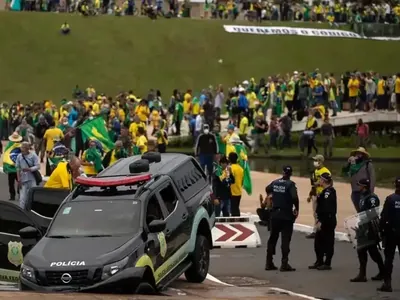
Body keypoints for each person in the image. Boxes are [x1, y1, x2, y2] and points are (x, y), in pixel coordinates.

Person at [350, 178, 385, 283]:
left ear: (364, 186)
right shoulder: (362, 196)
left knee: (373, 251)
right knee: (361, 250)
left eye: (360, 185)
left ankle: (382, 270)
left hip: (370, 227)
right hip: (362, 226)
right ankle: (362, 274)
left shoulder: (372, 198)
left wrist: (368, 228)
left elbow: (372, 214)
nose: (359, 187)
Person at [265, 166, 299, 272]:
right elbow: (294, 197)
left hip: (275, 214)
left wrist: (271, 196)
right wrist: (296, 208)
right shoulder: (290, 184)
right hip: (286, 215)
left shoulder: (275, 182)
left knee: (272, 239)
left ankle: (269, 262)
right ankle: (284, 264)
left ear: (282, 172)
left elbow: (267, 188)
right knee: (285, 240)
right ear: (290, 174)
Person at [309, 172, 337, 271]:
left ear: (324, 181)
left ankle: (327, 263)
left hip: (327, 221)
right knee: (318, 242)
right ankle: (319, 261)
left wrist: (321, 221)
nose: (319, 181)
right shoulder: (324, 192)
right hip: (321, 219)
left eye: (320, 179)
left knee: (328, 241)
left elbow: (327, 209)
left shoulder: (329, 193)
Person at [377, 177, 400, 293]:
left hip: (391, 233)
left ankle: (387, 283)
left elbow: (384, 217)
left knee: (389, 258)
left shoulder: (390, 199)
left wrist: (381, 231)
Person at [342, 147, 376, 212]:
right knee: (359, 211)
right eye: (357, 153)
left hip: (365, 191)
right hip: (354, 191)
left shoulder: (368, 164)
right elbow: (344, 172)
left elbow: (372, 178)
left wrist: (371, 191)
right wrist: (348, 163)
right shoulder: (352, 164)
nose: (358, 155)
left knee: (365, 210)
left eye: (360, 154)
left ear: (364, 155)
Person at [306, 155, 331, 239]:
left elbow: (330, 184)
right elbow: (313, 185)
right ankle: (316, 230)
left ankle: (321, 230)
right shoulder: (315, 172)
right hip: (315, 195)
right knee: (315, 214)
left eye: (316, 160)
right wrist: (310, 195)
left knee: (322, 213)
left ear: (320, 161)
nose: (315, 162)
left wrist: (319, 184)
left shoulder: (326, 171)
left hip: (323, 195)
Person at [15, 142, 40, 210]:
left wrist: (30, 169)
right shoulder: (19, 156)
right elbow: (17, 168)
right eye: (21, 148)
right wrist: (18, 179)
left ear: (27, 149)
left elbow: (38, 166)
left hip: (32, 178)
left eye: (23, 148)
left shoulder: (33, 155)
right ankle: (21, 211)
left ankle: (33, 209)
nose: (22, 150)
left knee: (33, 194)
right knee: (22, 197)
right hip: (23, 179)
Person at [3, 132, 22, 201]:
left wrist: (5, 167)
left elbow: (5, 157)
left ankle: (12, 196)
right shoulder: (21, 146)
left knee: (11, 183)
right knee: (20, 181)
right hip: (19, 168)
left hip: (10, 168)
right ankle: (20, 193)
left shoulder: (8, 146)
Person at [228, 152, 244, 217]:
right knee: (236, 208)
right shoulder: (241, 169)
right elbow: (242, 181)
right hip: (239, 191)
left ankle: (235, 224)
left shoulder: (230, 168)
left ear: (229, 159)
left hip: (232, 191)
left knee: (233, 210)